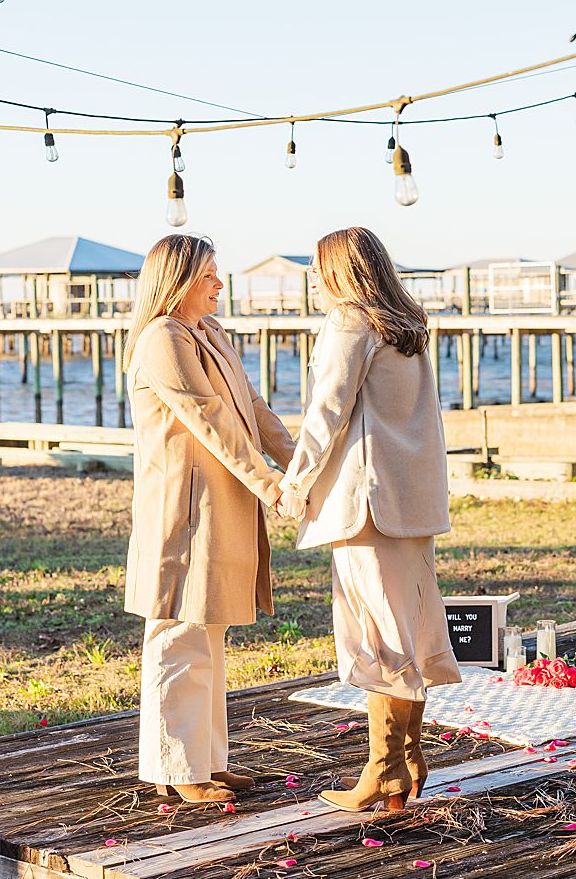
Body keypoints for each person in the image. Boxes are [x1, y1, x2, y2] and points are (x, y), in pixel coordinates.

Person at [277, 226, 460, 813]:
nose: (312, 277)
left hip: (367, 502)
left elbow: (326, 412)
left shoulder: (349, 322)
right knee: (408, 629)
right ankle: (408, 760)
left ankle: (383, 770)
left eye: (317, 266)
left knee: (379, 637)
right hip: (411, 502)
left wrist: (295, 483)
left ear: (340, 270)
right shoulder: (405, 324)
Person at [123, 234, 296, 804]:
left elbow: (251, 408)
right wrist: (271, 484)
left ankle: (205, 760)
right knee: (180, 633)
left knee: (209, 631)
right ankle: (175, 767)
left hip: (219, 505)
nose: (219, 283)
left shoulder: (209, 332)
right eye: (208, 275)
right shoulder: (163, 338)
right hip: (184, 509)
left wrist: (298, 463)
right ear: (176, 282)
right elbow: (210, 419)